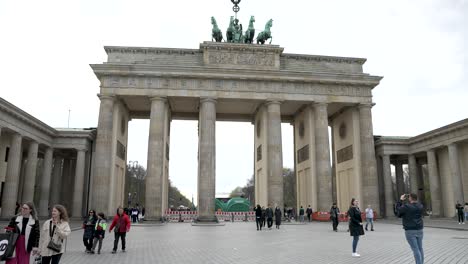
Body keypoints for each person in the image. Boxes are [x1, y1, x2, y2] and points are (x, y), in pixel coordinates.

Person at [397, 193, 424, 264]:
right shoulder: (420, 206)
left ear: (410, 198)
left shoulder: (406, 207)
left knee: (415, 249)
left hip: (410, 230)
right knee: (420, 248)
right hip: (419, 229)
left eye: (409, 197)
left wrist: (400, 200)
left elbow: (398, 212)